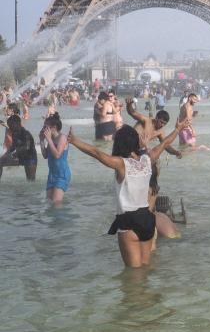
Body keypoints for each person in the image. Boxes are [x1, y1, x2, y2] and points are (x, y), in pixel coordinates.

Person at [67, 121, 185, 267]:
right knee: (145, 269)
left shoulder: (121, 164)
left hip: (129, 221)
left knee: (134, 275)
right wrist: (178, 128)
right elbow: (165, 142)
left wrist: (74, 141)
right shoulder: (147, 160)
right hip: (147, 219)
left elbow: (96, 153)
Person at [40, 113, 70, 203]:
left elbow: (57, 155)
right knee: (49, 202)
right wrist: (41, 140)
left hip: (62, 174)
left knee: (56, 203)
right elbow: (45, 155)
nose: (43, 128)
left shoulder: (62, 138)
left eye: (46, 126)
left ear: (54, 127)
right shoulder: (51, 139)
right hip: (52, 175)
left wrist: (48, 139)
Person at [0, 115, 38, 182]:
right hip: (19, 157)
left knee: (31, 182)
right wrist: (6, 154)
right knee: (0, 161)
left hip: (30, 158)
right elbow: (13, 146)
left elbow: (27, 147)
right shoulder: (14, 133)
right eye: (9, 125)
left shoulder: (26, 133)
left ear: (18, 123)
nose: (10, 128)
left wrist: (15, 153)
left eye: (11, 125)